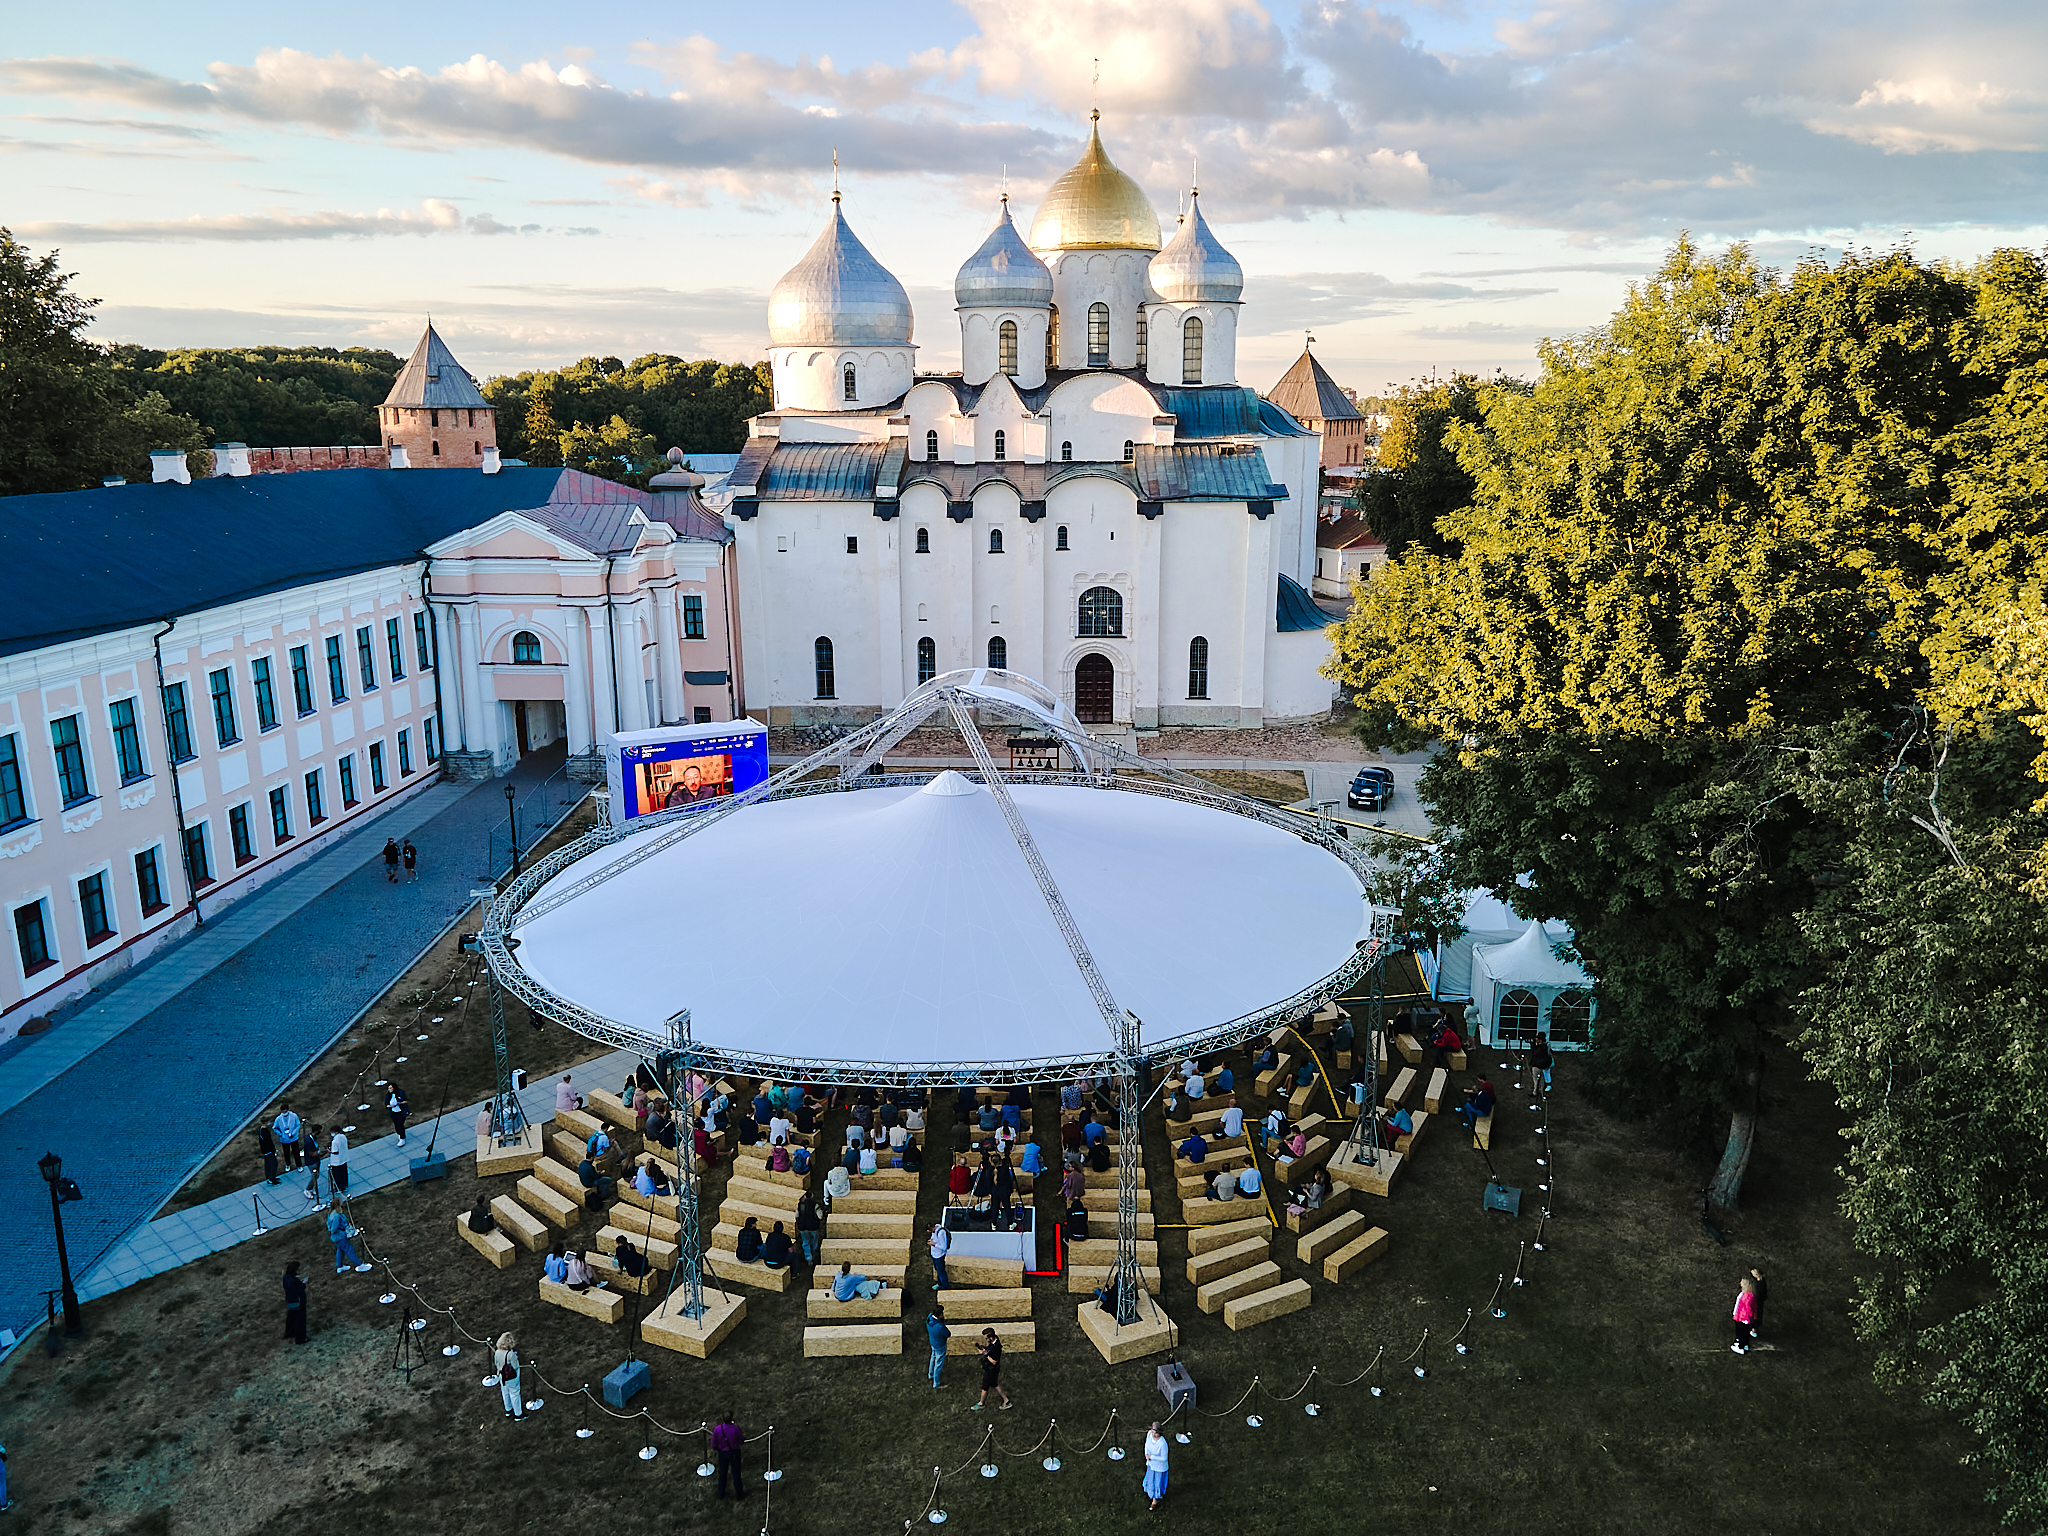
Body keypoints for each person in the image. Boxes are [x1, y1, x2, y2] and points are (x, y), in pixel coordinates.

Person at [973, 1328, 1011, 1411]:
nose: (986, 1340)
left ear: (991, 1338)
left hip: (992, 1369)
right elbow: (990, 1349)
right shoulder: (994, 1341)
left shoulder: (996, 1348)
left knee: (985, 1385)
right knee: (994, 1384)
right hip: (992, 1369)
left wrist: (986, 1354)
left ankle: (981, 1403)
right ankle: (1006, 1400)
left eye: (987, 1338)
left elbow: (994, 1361)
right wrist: (985, 1348)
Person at [711, 1412, 745, 1498]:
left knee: (722, 1473)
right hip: (734, 1453)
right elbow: (741, 1441)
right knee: (736, 1473)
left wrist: (719, 1449)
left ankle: (721, 1493)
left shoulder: (717, 1429)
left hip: (722, 1453)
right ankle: (739, 1494)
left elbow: (713, 1444)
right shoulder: (735, 1429)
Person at [494, 1332, 525, 1420]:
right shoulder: (511, 1354)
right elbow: (515, 1366)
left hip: (501, 1375)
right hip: (511, 1377)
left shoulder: (497, 1352)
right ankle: (518, 1414)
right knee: (514, 1393)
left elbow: (496, 1363)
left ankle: (508, 1409)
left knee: (505, 1392)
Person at [325, 1200, 360, 1273]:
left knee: (340, 1251)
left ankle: (339, 1266)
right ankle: (358, 1265)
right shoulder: (337, 1216)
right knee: (349, 1250)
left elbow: (328, 1224)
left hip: (337, 1237)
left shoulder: (331, 1214)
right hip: (341, 1236)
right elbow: (334, 1228)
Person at [1144, 1421, 1170, 1510]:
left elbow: (1164, 1458)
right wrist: (1146, 1454)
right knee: (1151, 1480)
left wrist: (1151, 1457)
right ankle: (1151, 1494)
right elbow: (1146, 1445)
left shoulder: (1162, 1444)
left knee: (1156, 1483)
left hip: (1159, 1467)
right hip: (1151, 1465)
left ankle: (1155, 1501)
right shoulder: (1149, 1435)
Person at [282, 1261, 309, 1344]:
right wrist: (303, 1283)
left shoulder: (285, 1277)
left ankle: (289, 1333)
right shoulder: (294, 1281)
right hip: (298, 1303)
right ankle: (300, 1338)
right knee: (300, 1321)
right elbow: (300, 1288)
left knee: (291, 1318)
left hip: (290, 1301)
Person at [1732, 1274, 1759, 1353]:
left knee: (1741, 1331)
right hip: (1742, 1317)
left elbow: (1748, 1308)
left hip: (1742, 1317)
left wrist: (1746, 1317)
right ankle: (1744, 1344)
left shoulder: (1748, 1296)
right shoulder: (1748, 1294)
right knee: (1744, 1332)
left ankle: (1741, 1347)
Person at [926, 1302, 951, 1388]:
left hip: (933, 1341)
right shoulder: (939, 1327)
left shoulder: (929, 1318)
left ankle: (930, 1374)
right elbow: (947, 1333)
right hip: (940, 1345)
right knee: (938, 1363)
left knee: (933, 1357)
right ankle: (936, 1383)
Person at [271, 1102, 302, 1172]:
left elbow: (297, 1125)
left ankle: (299, 1165)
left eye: (285, 1111)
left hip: (293, 1138)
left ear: (287, 1110)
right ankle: (288, 1164)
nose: (284, 1112)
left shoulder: (294, 1116)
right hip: (284, 1139)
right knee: (286, 1153)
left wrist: (293, 1133)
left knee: (296, 1152)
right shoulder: (278, 1119)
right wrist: (280, 1134)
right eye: (282, 1111)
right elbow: (274, 1128)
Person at [795, 1195, 823, 1265]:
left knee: (805, 1242)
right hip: (813, 1227)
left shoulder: (800, 1205)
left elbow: (796, 1216)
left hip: (803, 1227)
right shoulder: (815, 1205)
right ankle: (813, 1255)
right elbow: (820, 1217)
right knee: (814, 1242)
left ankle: (808, 1258)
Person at [930, 1220, 952, 1288]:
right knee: (938, 1271)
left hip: (939, 1256)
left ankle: (945, 1287)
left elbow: (943, 1247)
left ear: (933, 1228)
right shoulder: (935, 1231)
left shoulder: (940, 1233)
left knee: (941, 1272)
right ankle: (939, 1284)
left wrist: (934, 1244)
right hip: (935, 1255)